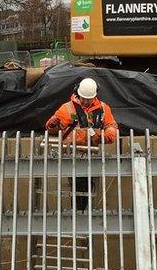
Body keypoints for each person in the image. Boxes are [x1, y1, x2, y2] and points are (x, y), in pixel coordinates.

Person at [45, 77, 118, 210]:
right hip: (71, 154)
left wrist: (107, 135)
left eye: (88, 99)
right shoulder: (67, 108)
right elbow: (52, 128)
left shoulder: (102, 109)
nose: (84, 101)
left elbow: (111, 125)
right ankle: (80, 214)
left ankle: (83, 214)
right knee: (79, 187)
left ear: (95, 96)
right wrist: (52, 124)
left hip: (92, 154)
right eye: (82, 98)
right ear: (77, 93)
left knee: (89, 187)